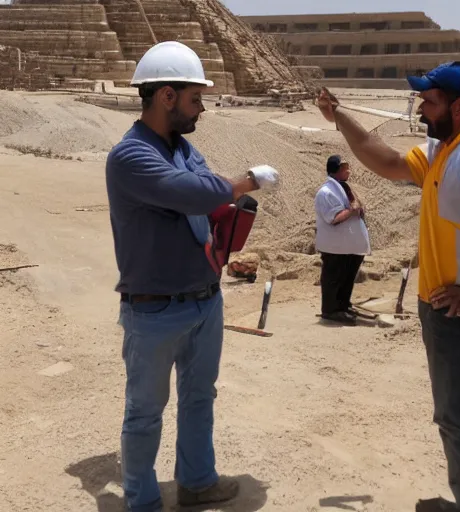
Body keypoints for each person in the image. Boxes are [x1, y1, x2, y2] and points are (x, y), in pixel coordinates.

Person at [317, 61, 460, 512]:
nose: (421, 108)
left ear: (459, 106)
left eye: (429, 100)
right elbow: (383, 158)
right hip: (446, 308)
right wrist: (339, 115)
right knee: (454, 417)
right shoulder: (445, 149)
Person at [106, 41, 279, 512]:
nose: (201, 108)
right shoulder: (130, 157)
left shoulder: (185, 149)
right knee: (144, 414)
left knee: (200, 398)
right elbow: (192, 192)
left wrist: (222, 192)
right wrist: (245, 180)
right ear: (166, 96)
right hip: (154, 310)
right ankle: (141, 501)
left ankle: (198, 482)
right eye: (194, 98)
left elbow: (206, 188)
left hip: (204, 300)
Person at [314, 155, 370, 324]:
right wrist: (353, 210)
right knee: (334, 277)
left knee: (347, 276)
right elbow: (334, 217)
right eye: (345, 168)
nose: (348, 171)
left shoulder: (344, 187)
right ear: (337, 170)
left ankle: (343, 305)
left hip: (348, 245)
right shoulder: (326, 193)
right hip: (335, 246)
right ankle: (331, 310)